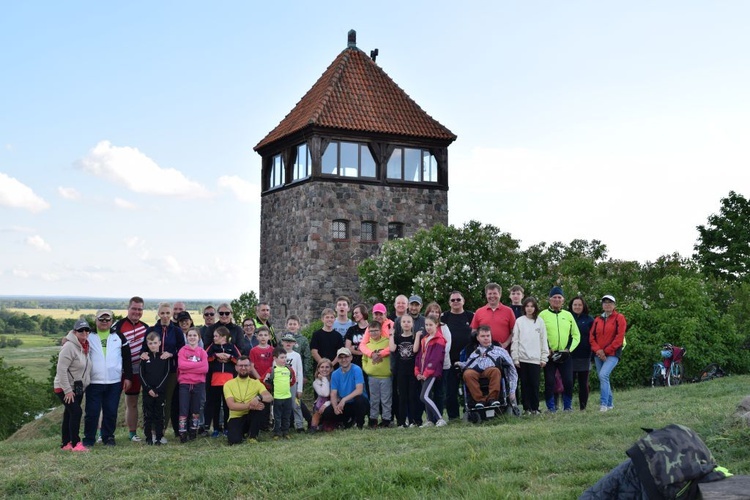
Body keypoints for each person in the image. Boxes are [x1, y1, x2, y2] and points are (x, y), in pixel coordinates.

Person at [82, 308, 132, 448]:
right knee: (92, 412)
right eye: (101, 319)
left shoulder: (119, 337)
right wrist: (66, 338)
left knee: (110, 411)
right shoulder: (88, 335)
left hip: (114, 381)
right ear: (96, 320)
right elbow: (73, 337)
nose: (104, 322)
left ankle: (108, 436)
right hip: (93, 381)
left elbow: (127, 358)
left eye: (107, 319)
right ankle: (89, 438)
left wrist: (127, 377)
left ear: (111, 321)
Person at [143, 305, 185, 440]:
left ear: (172, 313)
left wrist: (171, 353)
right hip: (153, 371)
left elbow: (182, 350)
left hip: (171, 371)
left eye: (168, 313)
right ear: (158, 314)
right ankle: (152, 431)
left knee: (166, 401)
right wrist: (143, 354)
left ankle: (162, 431)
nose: (165, 315)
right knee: (151, 400)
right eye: (163, 313)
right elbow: (144, 348)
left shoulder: (177, 331)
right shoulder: (151, 329)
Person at [539, 286, 581, 412]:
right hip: (549, 355)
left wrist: (569, 349)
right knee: (550, 382)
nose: (557, 300)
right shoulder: (543, 315)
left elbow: (576, 335)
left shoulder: (568, 315)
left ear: (563, 300)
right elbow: (539, 334)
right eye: (554, 297)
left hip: (565, 354)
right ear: (549, 300)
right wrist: (547, 349)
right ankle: (551, 407)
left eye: (559, 297)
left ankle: (567, 406)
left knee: (568, 381)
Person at [458, 324, 519, 411]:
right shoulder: (474, 352)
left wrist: (512, 390)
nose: (486, 338)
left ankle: (492, 399)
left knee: (494, 371)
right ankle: (479, 400)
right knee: (467, 373)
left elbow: (512, 369)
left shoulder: (500, 351)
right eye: (482, 336)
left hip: (492, 372)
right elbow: (467, 364)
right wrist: (460, 364)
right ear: (478, 338)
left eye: (488, 336)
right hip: (476, 373)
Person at [54, 318, 93, 452]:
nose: (84, 332)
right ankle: (76, 444)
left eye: (87, 330)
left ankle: (66, 444)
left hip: (78, 387)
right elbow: (61, 370)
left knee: (69, 414)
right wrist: (67, 391)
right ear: (75, 332)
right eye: (81, 330)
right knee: (76, 412)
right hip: (65, 387)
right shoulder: (69, 346)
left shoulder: (85, 345)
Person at [115, 296, 148, 442]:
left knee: (132, 403)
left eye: (140, 309)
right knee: (110, 403)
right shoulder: (117, 326)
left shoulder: (146, 328)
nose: (136, 312)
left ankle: (132, 433)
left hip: (137, 371)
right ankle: (102, 434)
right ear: (128, 308)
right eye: (134, 308)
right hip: (118, 371)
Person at [511, 297, 549, 415]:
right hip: (522, 358)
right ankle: (526, 408)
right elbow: (515, 340)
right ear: (524, 308)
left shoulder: (540, 321)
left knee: (535, 384)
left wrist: (544, 357)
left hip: (536, 359)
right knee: (525, 385)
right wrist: (515, 357)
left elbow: (544, 340)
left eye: (532, 306)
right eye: (527, 306)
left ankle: (535, 408)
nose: (529, 308)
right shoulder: (519, 321)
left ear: (535, 308)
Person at [590, 295, 627, 412]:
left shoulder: (619, 318)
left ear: (614, 305)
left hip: (612, 354)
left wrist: (605, 351)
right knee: (604, 378)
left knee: (603, 375)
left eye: (610, 302)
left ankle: (604, 404)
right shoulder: (597, 320)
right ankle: (610, 404)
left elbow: (619, 338)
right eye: (605, 302)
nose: (607, 304)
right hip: (598, 354)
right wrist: (598, 351)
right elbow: (592, 337)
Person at [223, 356, 272, 445]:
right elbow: (231, 406)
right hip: (236, 417)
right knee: (234, 441)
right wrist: (251, 405)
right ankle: (244, 432)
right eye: (240, 366)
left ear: (250, 367)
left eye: (246, 365)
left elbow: (269, 397)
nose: (243, 368)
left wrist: (258, 398)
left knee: (262, 403)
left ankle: (253, 436)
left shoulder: (256, 383)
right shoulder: (228, 384)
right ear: (236, 368)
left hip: (252, 415)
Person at [441, 290, 474, 420]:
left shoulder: (471, 316)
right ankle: (453, 417)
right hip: (450, 359)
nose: (455, 302)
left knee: (471, 388)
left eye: (458, 299)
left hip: (469, 360)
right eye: (453, 300)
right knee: (451, 391)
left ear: (463, 301)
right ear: (449, 302)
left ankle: (470, 412)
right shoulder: (444, 317)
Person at [205, 326, 240, 437]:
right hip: (215, 380)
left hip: (229, 380)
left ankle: (227, 428)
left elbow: (239, 359)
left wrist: (230, 357)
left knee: (227, 406)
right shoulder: (213, 346)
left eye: (216, 336)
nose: (214, 338)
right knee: (215, 406)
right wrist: (216, 355)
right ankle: (216, 428)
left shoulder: (232, 346)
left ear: (224, 337)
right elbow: (205, 357)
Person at [322, 348, 369, 429]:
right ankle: (345, 421)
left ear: (351, 357)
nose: (344, 360)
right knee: (327, 413)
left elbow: (359, 390)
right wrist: (335, 407)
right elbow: (333, 393)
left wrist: (344, 400)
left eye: (346, 357)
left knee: (359, 399)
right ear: (338, 359)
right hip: (345, 405)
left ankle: (359, 424)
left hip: (357, 403)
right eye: (341, 357)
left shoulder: (356, 369)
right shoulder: (335, 374)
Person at [413, 315, 447, 427]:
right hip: (422, 373)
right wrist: (417, 372)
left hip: (431, 373)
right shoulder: (424, 339)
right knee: (428, 396)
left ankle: (440, 418)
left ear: (436, 325)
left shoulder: (440, 339)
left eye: (430, 325)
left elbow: (435, 359)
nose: (428, 327)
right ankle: (430, 420)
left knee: (424, 396)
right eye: (426, 325)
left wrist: (427, 373)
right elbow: (419, 357)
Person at [176, 328, 208, 442]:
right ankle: (182, 432)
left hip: (198, 384)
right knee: (184, 408)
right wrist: (197, 365)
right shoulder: (182, 351)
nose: (192, 337)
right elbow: (181, 366)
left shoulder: (202, 352)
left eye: (195, 335)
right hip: (184, 383)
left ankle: (193, 431)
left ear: (199, 337)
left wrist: (189, 366)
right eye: (190, 335)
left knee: (196, 408)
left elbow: (205, 368)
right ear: (187, 337)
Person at [389, 314, 422, 427]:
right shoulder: (397, 337)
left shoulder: (414, 337)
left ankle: (413, 421)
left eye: (409, 321)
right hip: (400, 371)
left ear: (412, 324)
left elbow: (415, 349)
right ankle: (402, 422)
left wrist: (417, 336)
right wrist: (391, 335)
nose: (406, 324)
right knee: (402, 396)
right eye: (404, 322)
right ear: (400, 324)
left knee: (412, 396)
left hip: (412, 371)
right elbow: (392, 348)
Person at [139, 332, 170, 445]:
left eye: (155, 343)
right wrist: (148, 389)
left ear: (160, 343)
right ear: (147, 344)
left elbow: (166, 374)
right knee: (148, 415)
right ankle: (148, 437)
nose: (153, 345)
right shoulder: (144, 357)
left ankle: (159, 437)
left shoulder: (164, 357)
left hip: (160, 392)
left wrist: (157, 390)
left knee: (159, 415)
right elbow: (141, 375)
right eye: (150, 343)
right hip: (148, 392)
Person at [423, 302, 452, 418]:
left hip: (442, 364)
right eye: (432, 311)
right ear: (427, 313)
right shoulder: (425, 326)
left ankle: (439, 417)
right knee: (427, 393)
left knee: (439, 392)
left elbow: (448, 344)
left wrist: (438, 359)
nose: (434, 314)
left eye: (437, 312)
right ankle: (430, 419)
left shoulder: (444, 327)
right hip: (427, 367)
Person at [362, 320, 392, 428]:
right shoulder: (368, 345)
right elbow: (364, 359)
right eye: (371, 331)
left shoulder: (387, 342)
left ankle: (386, 419)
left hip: (386, 376)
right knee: (374, 399)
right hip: (372, 376)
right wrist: (367, 370)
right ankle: (373, 419)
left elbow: (392, 355)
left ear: (381, 331)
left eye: (376, 330)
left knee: (386, 399)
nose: (373, 333)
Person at [263, 347, 296, 439]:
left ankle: (285, 432)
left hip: (287, 397)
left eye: (285, 357)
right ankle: (277, 432)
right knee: (277, 417)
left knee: (286, 416)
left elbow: (292, 381)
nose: (284, 359)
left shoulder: (289, 369)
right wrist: (271, 389)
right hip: (276, 398)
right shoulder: (272, 370)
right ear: (275, 358)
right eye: (282, 357)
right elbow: (264, 381)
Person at [470, 283, 516, 349]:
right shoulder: (479, 311)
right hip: (483, 352)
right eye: (490, 294)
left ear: (500, 294)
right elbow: (474, 331)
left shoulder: (509, 311)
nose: (492, 296)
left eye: (495, 293)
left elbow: (514, 332)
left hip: (503, 351)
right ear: (486, 295)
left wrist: (505, 344)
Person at [570, 296, 594, 411]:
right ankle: (567, 406)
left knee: (583, 384)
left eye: (579, 305)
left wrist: (593, 355)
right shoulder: (567, 317)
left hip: (585, 355)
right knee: (569, 382)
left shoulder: (589, 320)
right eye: (575, 305)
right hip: (569, 356)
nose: (577, 307)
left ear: (583, 306)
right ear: (571, 306)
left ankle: (582, 408)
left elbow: (594, 337)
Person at [280, 333, 306, 433]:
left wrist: (300, 389)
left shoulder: (296, 355)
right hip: (281, 383)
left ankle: (299, 425)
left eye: (290, 341)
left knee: (295, 405)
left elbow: (300, 372)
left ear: (294, 343)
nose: (288, 343)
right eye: (286, 341)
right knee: (281, 405)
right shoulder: (278, 354)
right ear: (282, 342)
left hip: (293, 383)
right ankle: (283, 425)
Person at [285, 315, 312, 384]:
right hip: (284, 372)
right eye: (290, 324)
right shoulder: (282, 340)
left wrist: (305, 375)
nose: (292, 326)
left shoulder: (303, 340)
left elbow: (307, 357)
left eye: (294, 324)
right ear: (286, 325)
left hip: (298, 372)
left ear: (298, 326)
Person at [309, 358, 332, 432]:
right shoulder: (316, 382)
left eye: (327, 367)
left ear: (331, 369)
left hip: (332, 403)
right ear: (318, 369)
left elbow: (336, 396)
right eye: (322, 367)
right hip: (320, 406)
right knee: (318, 408)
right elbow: (325, 393)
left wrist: (327, 404)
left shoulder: (334, 379)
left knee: (328, 429)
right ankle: (314, 426)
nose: (324, 369)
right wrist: (324, 379)